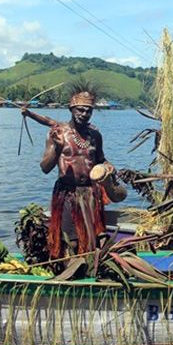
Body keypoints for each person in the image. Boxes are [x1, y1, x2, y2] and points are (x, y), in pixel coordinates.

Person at [40, 80, 110, 260]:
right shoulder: (58, 133)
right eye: (80, 109)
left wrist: (108, 167)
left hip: (90, 194)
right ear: (71, 108)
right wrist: (57, 148)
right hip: (67, 195)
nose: (84, 114)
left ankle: (89, 273)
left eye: (89, 110)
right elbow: (45, 168)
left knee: (91, 241)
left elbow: (101, 160)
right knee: (68, 242)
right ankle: (68, 274)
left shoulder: (95, 135)